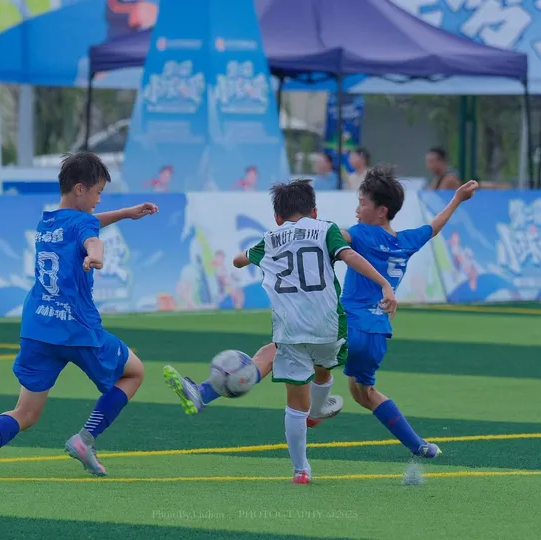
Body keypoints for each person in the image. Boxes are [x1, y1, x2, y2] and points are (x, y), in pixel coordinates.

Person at [165, 167, 478, 462]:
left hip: (346, 325)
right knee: (364, 394)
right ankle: (419, 446)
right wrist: (457, 199)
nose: (357, 209)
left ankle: (205, 392)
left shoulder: (361, 234)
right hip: (377, 333)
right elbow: (433, 228)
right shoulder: (407, 241)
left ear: (381, 211)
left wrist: (298, 229)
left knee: (275, 352)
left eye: (362, 203)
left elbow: (327, 236)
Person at [166, 179, 398, 484]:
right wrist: (384, 284)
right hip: (329, 325)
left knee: (292, 399)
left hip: (291, 329)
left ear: (277, 217)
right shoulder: (325, 229)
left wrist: (247, 255)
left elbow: (238, 261)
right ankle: (316, 409)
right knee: (322, 369)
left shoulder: (270, 239)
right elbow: (349, 256)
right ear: (314, 211)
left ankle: (301, 470)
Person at [0, 152, 159, 478]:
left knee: (26, 412)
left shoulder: (48, 221)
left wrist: (126, 213)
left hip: (38, 327)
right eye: (97, 192)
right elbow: (92, 238)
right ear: (80, 189)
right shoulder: (84, 225)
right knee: (134, 373)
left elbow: (86, 224)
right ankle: (86, 439)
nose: (99, 200)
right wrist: (95, 255)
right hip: (77, 329)